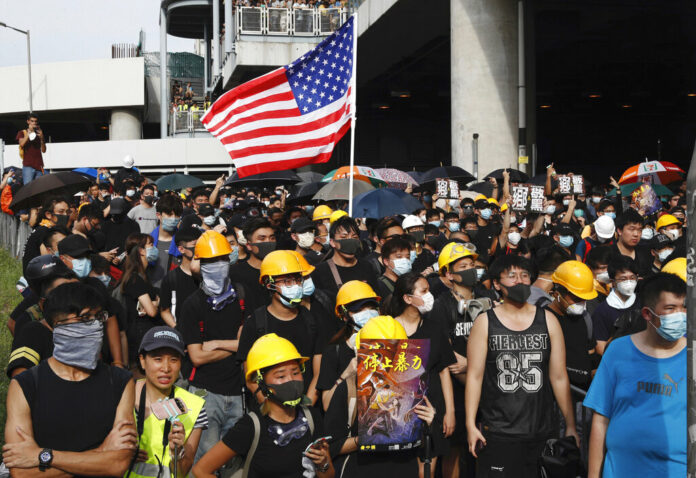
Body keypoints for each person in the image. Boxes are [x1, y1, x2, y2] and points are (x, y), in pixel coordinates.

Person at [3, 282, 136, 476]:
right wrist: (100, 453)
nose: (96, 326)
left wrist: (42, 456)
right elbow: (22, 473)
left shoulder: (120, 382)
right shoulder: (25, 385)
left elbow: (116, 465)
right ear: (54, 324)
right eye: (85, 318)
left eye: (99, 317)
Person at [465, 255, 578, 478]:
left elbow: (559, 377)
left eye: (524, 275)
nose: (520, 281)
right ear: (496, 283)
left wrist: (571, 424)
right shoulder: (485, 322)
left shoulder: (548, 319)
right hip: (498, 432)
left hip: (542, 431)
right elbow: (475, 376)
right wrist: (470, 423)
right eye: (512, 276)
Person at [585, 273, 686, 477]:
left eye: (684, 307)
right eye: (670, 308)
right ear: (647, 314)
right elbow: (600, 418)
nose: (680, 315)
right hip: (620, 470)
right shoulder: (617, 351)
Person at [192, 333, 334, 478]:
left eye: (296, 372)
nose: (291, 380)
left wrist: (323, 464)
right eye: (281, 376)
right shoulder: (251, 426)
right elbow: (201, 470)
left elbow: (328, 475)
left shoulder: (312, 417)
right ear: (261, 382)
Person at [324, 315, 438, 478]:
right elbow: (331, 446)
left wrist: (428, 423)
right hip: (361, 470)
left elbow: (422, 445)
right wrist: (364, 439)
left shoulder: (413, 385)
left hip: (404, 469)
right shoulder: (348, 388)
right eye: (380, 353)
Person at [386, 272, 456, 476]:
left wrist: (449, 412)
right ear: (407, 298)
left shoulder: (435, 329)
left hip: (430, 410)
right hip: (396, 413)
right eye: (424, 291)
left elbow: (444, 372)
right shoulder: (388, 328)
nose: (429, 295)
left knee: (426, 472)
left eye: (429, 291)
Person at [430, 242, 490, 478]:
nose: (470, 270)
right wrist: (467, 365)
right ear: (448, 274)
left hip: (485, 383)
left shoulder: (487, 297)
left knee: (483, 446)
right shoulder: (441, 305)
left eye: (472, 265)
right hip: (455, 388)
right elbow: (443, 344)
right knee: (454, 450)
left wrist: (475, 366)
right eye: (463, 266)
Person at [237, 250, 326, 405]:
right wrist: (271, 410)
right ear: (268, 284)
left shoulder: (312, 319)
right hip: (270, 408)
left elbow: (319, 372)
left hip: (306, 404)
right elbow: (250, 377)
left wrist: (308, 406)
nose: (294, 286)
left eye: (297, 280)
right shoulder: (255, 323)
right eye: (286, 281)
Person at [129, 327, 206, 478]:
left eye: (174, 360)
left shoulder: (195, 406)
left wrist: (177, 453)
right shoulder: (122, 395)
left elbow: (182, 472)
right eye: (158, 359)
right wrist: (121, 454)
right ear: (142, 360)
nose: (166, 368)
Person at [317, 280, 381, 410]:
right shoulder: (333, 352)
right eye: (359, 310)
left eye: (371, 308)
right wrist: (346, 374)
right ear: (344, 315)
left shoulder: (389, 344)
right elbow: (326, 405)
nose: (368, 313)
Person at [120, 233, 162, 366]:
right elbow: (151, 311)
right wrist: (157, 302)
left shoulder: (142, 276)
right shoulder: (135, 279)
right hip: (140, 335)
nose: (154, 248)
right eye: (150, 245)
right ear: (141, 251)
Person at [310, 216, 380, 295]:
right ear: (332, 242)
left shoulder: (367, 266)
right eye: (344, 237)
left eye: (354, 237)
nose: (350, 242)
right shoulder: (320, 271)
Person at [591, 255, 641, 354]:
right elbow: (601, 347)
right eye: (623, 279)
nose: (629, 282)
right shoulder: (602, 311)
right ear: (612, 282)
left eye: (632, 278)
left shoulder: (643, 302)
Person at [228, 217, 277, 317]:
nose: (268, 242)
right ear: (249, 245)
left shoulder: (283, 270)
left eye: (272, 238)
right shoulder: (234, 274)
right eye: (262, 238)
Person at [159, 226, 201, 329]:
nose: (199, 249)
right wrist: (177, 328)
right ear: (181, 249)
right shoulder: (171, 278)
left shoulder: (208, 275)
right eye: (195, 246)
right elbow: (164, 311)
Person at [22, 196, 70, 273]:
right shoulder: (45, 231)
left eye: (67, 212)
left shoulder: (43, 228)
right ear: (48, 214)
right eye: (61, 212)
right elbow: (47, 260)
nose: (65, 215)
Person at [148, 193, 185, 287]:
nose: (173, 218)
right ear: (158, 215)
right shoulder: (146, 243)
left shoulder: (184, 243)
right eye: (169, 214)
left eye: (177, 215)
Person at [16, 113, 46, 184]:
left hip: (39, 165)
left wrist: (42, 138)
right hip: (28, 166)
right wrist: (28, 134)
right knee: (27, 188)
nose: (34, 123)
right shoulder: (22, 132)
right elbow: (22, 144)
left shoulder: (39, 133)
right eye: (32, 121)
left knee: (39, 189)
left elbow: (44, 150)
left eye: (35, 121)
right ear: (28, 121)